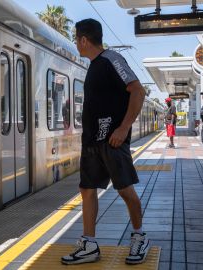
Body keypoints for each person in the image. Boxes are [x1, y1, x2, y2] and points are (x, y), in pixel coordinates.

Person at [61, 18, 149, 265]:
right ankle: (89, 243)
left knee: (125, 190)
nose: (76, 43)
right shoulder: (95, 65)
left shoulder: (112, 59)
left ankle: (139, 236)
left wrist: (123, 128)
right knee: (86, 190)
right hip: (92, 142)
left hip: (111, 140)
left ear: (84, 40)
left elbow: (138, 91)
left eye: (76, 38)